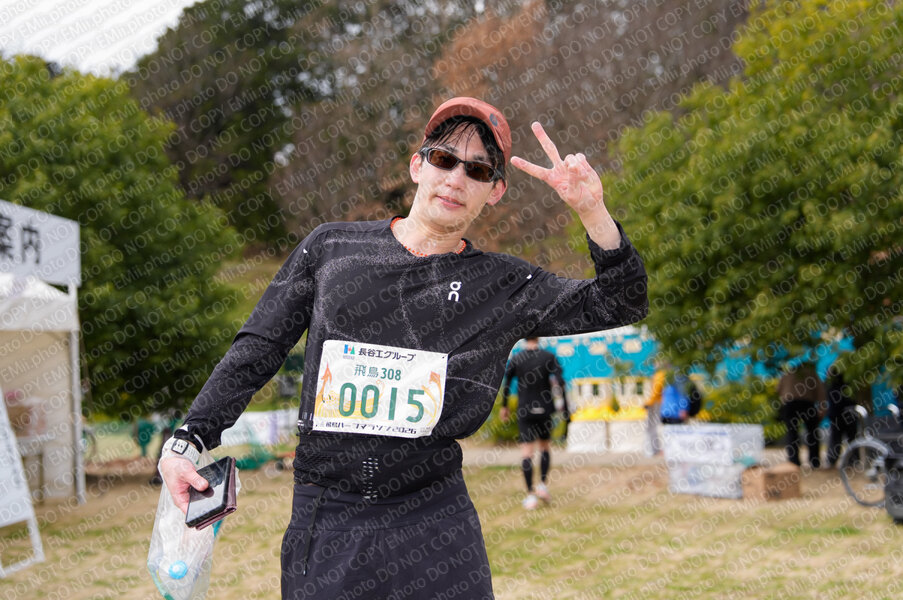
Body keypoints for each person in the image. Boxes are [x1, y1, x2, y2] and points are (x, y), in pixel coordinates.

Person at [158, 97, 648, 599]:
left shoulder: (503, 285)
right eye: (444, 159)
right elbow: (258, 347)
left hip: (437, 523)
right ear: (418, 166)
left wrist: (592, 210)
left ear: (495, 191)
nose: (456, 178)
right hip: (328, 522)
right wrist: (188, 440)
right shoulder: (331, 250)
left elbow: (621, 302)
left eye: (477, 170)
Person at [499, 337, 569, 510]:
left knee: (527, 453)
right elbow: (560, 381)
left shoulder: (517, 358)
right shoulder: (548, 356)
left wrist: (504, 406)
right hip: (545, 408)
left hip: (525, 409)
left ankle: (530, 496)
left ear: (525, 337)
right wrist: (565, 407)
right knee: (544, 447)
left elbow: (507, 383)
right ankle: (542, 485)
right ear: (539, 337)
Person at [777, 363, 826, 468]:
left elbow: (778, 389)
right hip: (807, 403)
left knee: (792, 433)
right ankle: (814, 461)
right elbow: (820, 391)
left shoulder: (787, 372)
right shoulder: (811, 372)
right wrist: (822, 407)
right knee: (812, 432)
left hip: (790, 404)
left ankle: (793, 461)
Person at [824, 364, 857, 468]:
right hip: (848, 415)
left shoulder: (830, 386)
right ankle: (853, 460)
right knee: (851, 438)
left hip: (836, 416)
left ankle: (832, 461)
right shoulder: (849, 386)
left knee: (836, 439)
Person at [644, 366, 666, 454]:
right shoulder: (663, 374)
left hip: (656, 403)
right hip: (659, 402)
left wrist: (649, 402)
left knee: (652, 427)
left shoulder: (660, 375)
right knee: (655, 427)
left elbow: (656, 391)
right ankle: (656, 449)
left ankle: (655, 449)